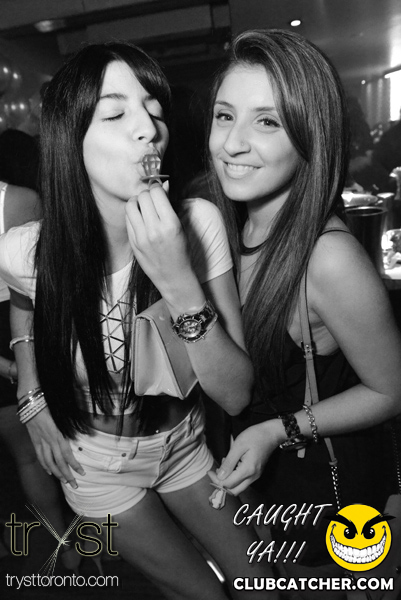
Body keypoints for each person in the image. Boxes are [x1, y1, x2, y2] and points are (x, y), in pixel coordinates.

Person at [0, 42, 276, 600]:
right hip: (97, 466)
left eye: (154, 110)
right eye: (115, 113)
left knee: (265, 584)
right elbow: (24, 303)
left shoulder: (198, 223)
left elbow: (236, 393)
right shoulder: (25, 251)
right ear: (70, 139)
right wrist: (32, 398)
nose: (149, 129)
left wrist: (177, 280)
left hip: (186, 445)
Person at [207, 28, 401, 591]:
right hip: (260, 497)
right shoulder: (224, 231)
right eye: (224, 116)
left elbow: (391, 390)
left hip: (330, 507)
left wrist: (277, 431)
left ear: (310, 135)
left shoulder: (327, 257)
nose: (232, 143)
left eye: (267, 121)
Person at [0, 181, 79, 571]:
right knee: (36, 454)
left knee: (35, 454)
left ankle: (67, 543)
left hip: (19, 327)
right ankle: (70, 544)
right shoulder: (17, 200)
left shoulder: (15, 201)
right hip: (18, 332)